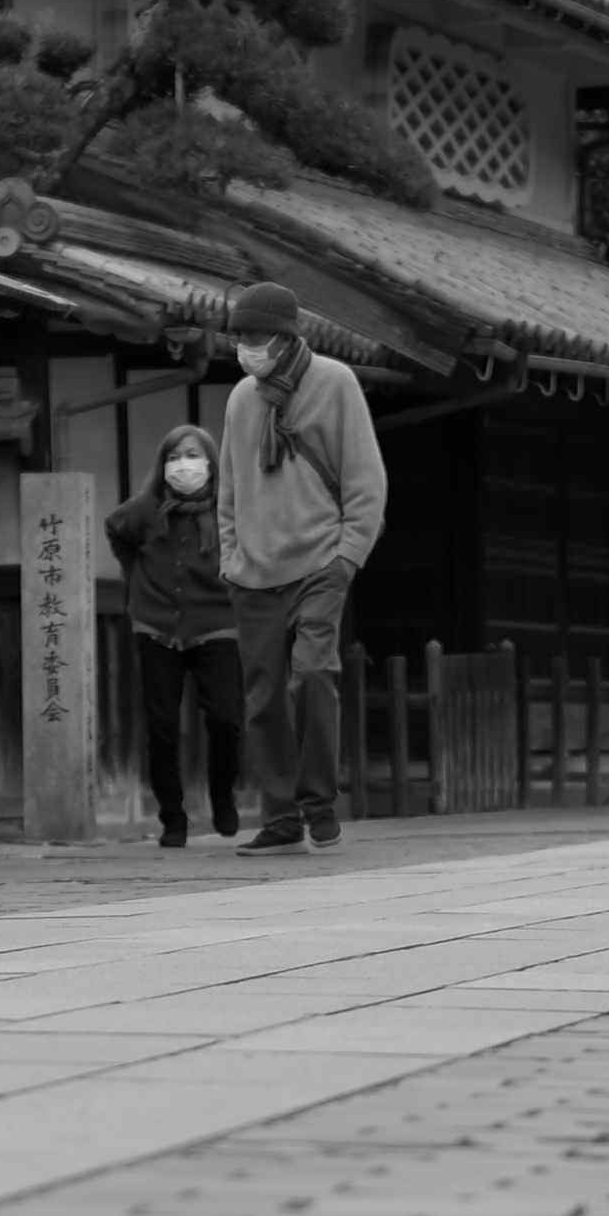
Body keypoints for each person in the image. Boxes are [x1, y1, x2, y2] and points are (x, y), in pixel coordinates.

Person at [213, 285, 385, 855]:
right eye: (239, 336)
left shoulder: (335, 382)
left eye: (255, 335)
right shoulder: (241, 398)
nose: (245, 345)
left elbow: (366, 479)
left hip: (319, 563)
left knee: (312, 676)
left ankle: (320, 803)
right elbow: (229, 487)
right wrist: (231, 556)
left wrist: (347, 556)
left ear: (286, 337)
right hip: (254, 573)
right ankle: (281, 816)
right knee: (262, 700)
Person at [101, 416, 248, 845]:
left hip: (217, 623)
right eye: (174, 456)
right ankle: (173, 817)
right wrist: (135, 575)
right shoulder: (146, 509)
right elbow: (115, 528)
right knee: (162, 726)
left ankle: (223, 796)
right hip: (157, 624)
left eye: (192, 455)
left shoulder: (229, 509)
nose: (183, 464)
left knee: (226, 719)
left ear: (211, 463)